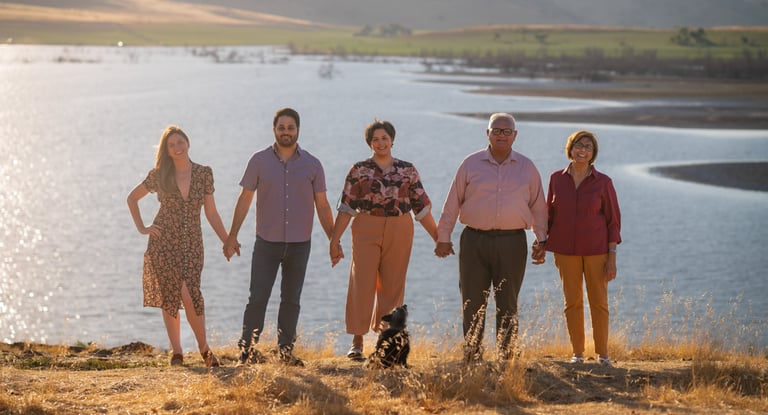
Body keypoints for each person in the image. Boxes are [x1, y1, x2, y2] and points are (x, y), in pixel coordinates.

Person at [224, 107, 334, 367]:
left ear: (298, 130)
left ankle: (285, 353)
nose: (286, 131)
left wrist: (333, 239)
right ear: (274, 129)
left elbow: (323, 205)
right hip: (266, 243)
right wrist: (232, 235)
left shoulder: (313, 164)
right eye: (281, 127)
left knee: (291, 300)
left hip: (300, 244)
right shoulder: (259, 160)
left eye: (291, 127)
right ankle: (247, 351)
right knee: (258, 297)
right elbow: (244, 199)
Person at [435, 113, 547, 362]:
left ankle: (507, 355)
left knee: (508, 301)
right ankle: (472, 354)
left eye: (507, 132)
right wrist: (443, 236)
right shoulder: (470, 164)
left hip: (513, 242)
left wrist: (541, 239)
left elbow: (539, 206)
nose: (501, 135)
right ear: (487, 133)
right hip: (474, 241)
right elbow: (453, 202)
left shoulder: (527, 168)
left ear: (515, 136)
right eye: (496, 130)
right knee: (473, 301)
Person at [329, 119, 438, 361]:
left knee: (392, 284)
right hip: (366, 226)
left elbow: (421, 208)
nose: (380, 142)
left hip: (400, 227)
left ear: (392, 140)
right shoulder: (359, 169)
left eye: (384, 138)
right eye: (375, 139)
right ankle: (357, 342)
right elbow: (346, 207)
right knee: (363, 283)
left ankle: (386, 343)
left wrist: (439, 239)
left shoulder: (407, 170)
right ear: (369, 142)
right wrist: (335, 240)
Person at [127, 125, 228, 368]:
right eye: (171, 145)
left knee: (190, 292)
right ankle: (177, 352)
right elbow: (132, 198)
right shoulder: (159, 175)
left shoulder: (204, 173)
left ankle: (204, 350)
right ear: (167, 150)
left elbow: (211, 212)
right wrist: (142, 228)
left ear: (187, 143)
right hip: (163, 241)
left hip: (193, 242)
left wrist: (227, 239)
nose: (177, 148)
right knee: (170, 295)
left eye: (180, 142)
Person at [539, 130, 621, 367]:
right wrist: (541, 244)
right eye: (578, 145)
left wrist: (612, 256)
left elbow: (613, 221)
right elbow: (549, 216)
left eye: (588, 146)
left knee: (599, 302)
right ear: (570, 148)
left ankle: (603, 355)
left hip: (597, 251)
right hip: (565, 251)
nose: (582, 150)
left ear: (593, 153)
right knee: (572, 302)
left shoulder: (604, 182)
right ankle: (577, 353)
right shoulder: (556, 178)